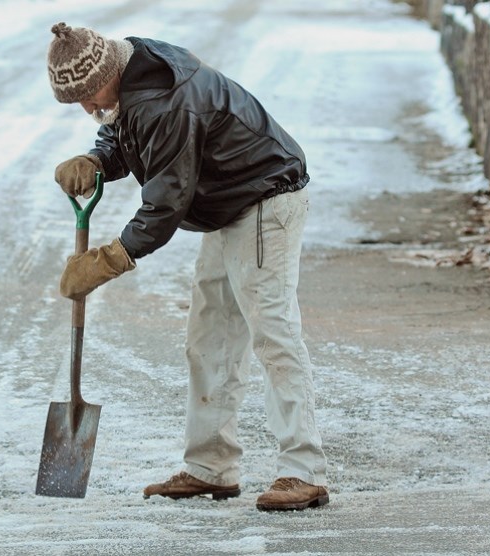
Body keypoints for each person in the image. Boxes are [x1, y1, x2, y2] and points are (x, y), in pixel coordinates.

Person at [46, 22, 329, 512]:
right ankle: (211, 467)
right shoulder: (131, 69)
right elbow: (125, 128)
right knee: (209, 339)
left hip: (264, 197)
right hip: (227, 203)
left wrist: (109, 259)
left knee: (272, 333)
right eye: (79, 101)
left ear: (108, 71)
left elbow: (165, 203)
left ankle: (302, 471)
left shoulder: (166, 100)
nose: (89, 108)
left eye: (90, 95)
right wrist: (98, 158)